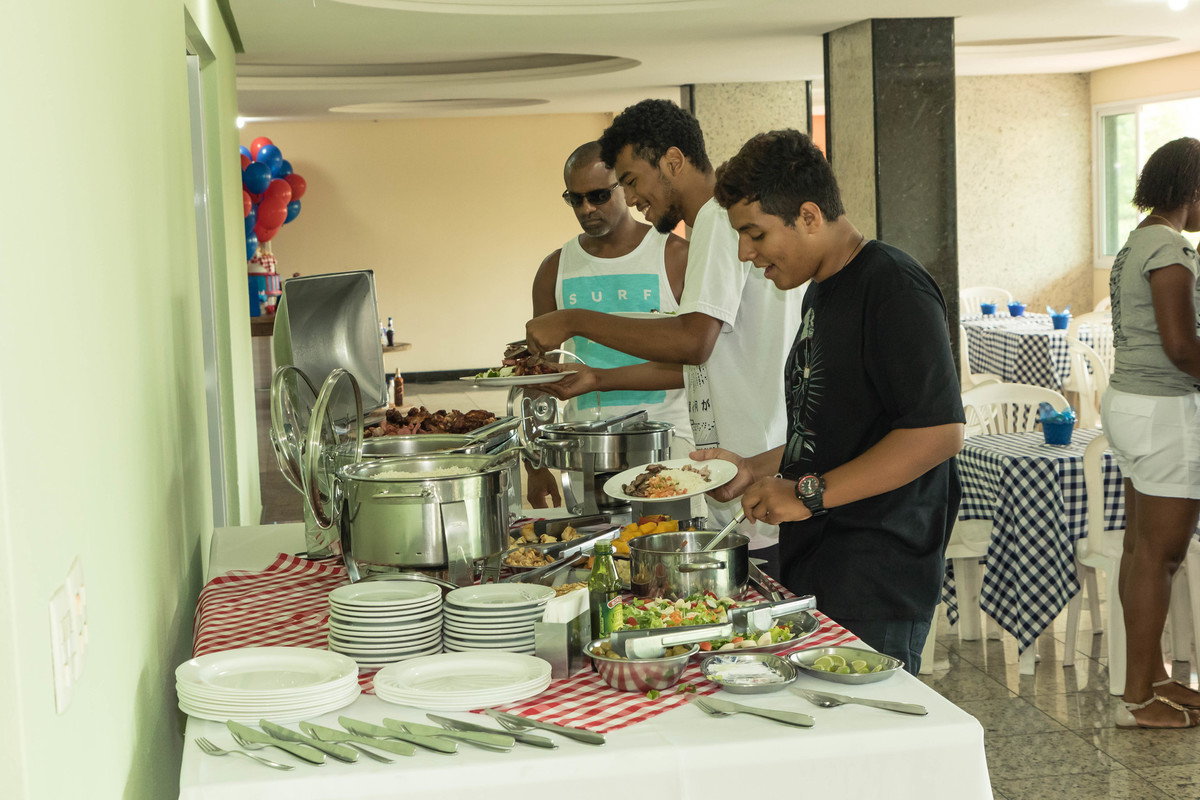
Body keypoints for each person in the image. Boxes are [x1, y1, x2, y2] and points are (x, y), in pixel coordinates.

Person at [692, 129, 964, 673]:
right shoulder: (819, 289)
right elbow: (830, 430)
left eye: (755, 233)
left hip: (877, 575)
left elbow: (938, 432)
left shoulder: (893, 287)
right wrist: (752, 469)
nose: (745, 253)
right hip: (821, 563)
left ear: (809, 216)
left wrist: (807, 495)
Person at [526, 100, 805, 570]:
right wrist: (597, 379)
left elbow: (691, 343)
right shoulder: (711, 226)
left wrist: (575, 320)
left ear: (673, 162)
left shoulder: (716, 220)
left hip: (758, 470)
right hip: (744, 471)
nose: (633, 197)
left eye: (631, 181)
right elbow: (699, 361)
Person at [524, 141, 692, 508]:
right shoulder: (554, 269)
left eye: (599, 196)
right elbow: (536, 379)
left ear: (625, 188)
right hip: (586, 449)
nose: (587, 209)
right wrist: (534, 461)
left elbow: (696, 364)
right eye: (575, 199)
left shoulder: (675, 256)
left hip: (668, 443)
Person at [1102, 136, 1200, 729]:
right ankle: (1139, 699)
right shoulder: (1168, 246)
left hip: (1131, 404)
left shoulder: (1138, 240)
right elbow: (1182, 348)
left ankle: (1152, 678)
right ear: (1192, 189)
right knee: (1161, 557)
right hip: (1164, 410)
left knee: (1141, 549)